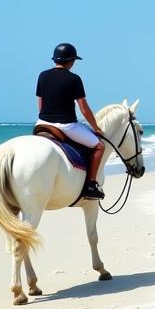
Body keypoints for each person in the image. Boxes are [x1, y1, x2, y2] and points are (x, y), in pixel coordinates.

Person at [36, 43, 106, 201]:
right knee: (99, 147)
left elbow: (40, 104)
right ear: (71, 60)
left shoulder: (42, 75)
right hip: (66, 126)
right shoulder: (74, 79)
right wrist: (96, 128)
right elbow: (84, 109)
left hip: (42, 123)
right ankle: (91, 185)